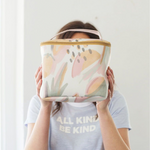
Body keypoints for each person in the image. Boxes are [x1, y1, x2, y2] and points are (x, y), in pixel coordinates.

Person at [24, 20, 132, 150]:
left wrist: (103, 110)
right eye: (70, 52)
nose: (76, 61)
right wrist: (45, 107)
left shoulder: (114, 101)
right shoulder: (39, 102)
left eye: (85, 53)